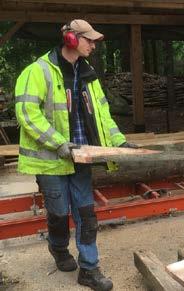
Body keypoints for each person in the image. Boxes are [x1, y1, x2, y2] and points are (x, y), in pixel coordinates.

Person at [15, 19, 136, 291]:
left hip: (82, 157)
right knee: (59, 213)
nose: (93, 45)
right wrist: (59, 143)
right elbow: (27, 114)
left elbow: (103, 113)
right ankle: (58, 249)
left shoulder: (88, 72)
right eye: (88, 40)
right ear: (71, 39)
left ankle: (90, 269)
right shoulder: (38, 71)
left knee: (86, 214)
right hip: (51, 160)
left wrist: (120, 142)